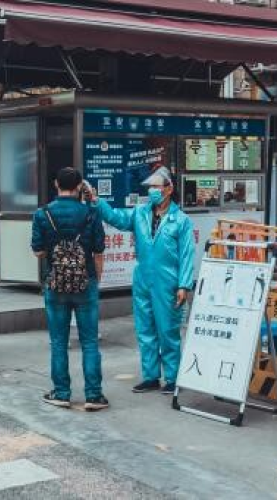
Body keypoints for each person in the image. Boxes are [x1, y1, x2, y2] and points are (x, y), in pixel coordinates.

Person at [88, 166, 195, 395]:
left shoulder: (181, 220)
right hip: (143, 279)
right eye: (150, 187)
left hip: (168, 281)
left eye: (156, 186)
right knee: (145, 329)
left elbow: (187, 255)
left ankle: (173, 378)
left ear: (169, 189)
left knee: (168, 331)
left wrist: (184, 285)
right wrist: (98, 202)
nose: (152, 191)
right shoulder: (140, 213)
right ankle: (150, 376)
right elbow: (116, 217)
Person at [31, 167, 109, 411]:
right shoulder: (91, 214)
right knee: (89, 342)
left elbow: (39, 250)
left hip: (55, 284)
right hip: (86, 282)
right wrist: (96, 278)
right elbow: (98, 251)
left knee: (58, 341)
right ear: (79, 187)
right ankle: (94, 395)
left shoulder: (42, 213)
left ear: (56, 184)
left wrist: (58, 257)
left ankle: (62, 392)